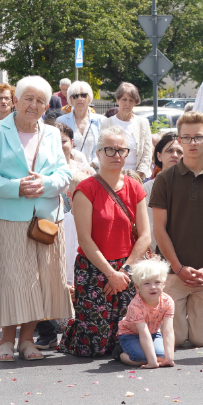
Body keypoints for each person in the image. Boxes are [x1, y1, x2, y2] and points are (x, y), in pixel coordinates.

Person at [0, 76, 72, 362]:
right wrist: (16, 187)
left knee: (40, 278)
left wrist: (47, 184)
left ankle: (27, 339)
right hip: (10, 214)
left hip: (46, 216)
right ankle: (6, 339)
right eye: (28, 98)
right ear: (15, 100)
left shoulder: (52, 134)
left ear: (46, 106)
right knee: (12, 279)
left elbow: (64, 175)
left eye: (40, 100)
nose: (34, 104)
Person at [59, 127, 152, 358]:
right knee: (95, 346)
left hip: (127, 269)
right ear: (98, 153)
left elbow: (145, 236)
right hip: (93, 268)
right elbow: (85, 239)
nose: (116, 155)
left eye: (121, 150)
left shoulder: (135, 187)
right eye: (109, 149)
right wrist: (111, 274)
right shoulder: (86, 188)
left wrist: (124, 272)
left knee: (125, 335)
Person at [149, 111, 203, 349]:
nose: (192, 143)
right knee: (175, 340)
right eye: (185, 137)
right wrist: (178, 267)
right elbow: (159, 229)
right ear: (179, 140)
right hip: (173, 272)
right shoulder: (165, 180)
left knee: (198, 340)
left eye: (197, 137)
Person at [115, 257, 176, 368]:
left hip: (153, 332)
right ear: (137, 287)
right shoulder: (136, 305)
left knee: (161, 357)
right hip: (130, 334)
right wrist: (152, 362)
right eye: (146, 283)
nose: (153, 287)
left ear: (164, 283)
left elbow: (168, 330)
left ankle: (150, 356)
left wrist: (169, 358)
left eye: (157, 282)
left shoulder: (168, 301)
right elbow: (143, 333)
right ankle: (120, 354)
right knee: (140, 358)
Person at [109, 82, 154, 179]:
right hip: (112, 177)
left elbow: (147, 153)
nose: (127, 104)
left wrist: (137, 176)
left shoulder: (143, 123)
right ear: (117, 100)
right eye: (124, 99)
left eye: (131, 100)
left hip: (138, 178)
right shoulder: (107, 123)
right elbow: (102, 151)